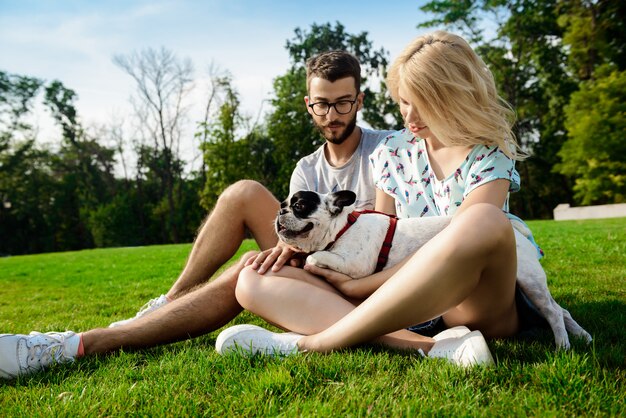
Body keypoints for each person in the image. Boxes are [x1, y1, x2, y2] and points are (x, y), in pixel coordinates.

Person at [0, 50, 394, 379]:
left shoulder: (386, 151)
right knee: (243, 193)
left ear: (359, 101)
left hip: (361, 282)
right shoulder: (306, 169)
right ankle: (166, 303)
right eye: (322, 104)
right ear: (309, 105)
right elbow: (294, 235)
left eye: (343, 103)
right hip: (316, 267)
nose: (332, 114)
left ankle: (81, 345)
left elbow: (376, 247)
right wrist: (286, 250)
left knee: (249, 268)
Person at [215, 30, 536, 367]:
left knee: (482, 220)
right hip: (398, 301)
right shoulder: (392, 152)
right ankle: (430, 347)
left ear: (454, 97)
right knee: (252, 280)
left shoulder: (491, 152)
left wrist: (359, 288)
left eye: (424, 104)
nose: (410, 116)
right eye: (404, 101)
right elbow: (382, 237)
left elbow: (461, 247)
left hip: (470, 303)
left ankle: (314, 343)